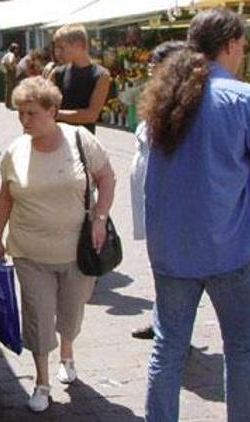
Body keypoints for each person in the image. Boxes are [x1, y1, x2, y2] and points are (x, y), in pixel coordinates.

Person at [139, 8, 250, 421]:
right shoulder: (240, 99)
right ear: (230, 45)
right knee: (241, 350)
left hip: (171, 250)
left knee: (167, 349)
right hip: (231, 249)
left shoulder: (165, 99)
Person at [0, 77, 115, 413]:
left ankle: (68, 352)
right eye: (20, 114)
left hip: (78, 251)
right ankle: (42, 381)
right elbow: (5, 197)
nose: (24, 121)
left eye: (31, 113)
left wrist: (101, 216)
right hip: (29, 251)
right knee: (38, 316)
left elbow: (107, 177)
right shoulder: (15, 151)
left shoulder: (79, 140)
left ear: (52, 111)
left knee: (71, 313)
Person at [129, 41, 187, 341]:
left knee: (174, 271)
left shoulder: (181, 107)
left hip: (170, 207)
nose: (150, 71)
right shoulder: (158, 100)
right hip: (154, 204)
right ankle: (164, 321)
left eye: (156, 65)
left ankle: (174, 329)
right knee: (161, 268)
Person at [49, 25, 111, 134]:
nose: (57, 53)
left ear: (79, 46)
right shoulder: (57, 73)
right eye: (56, 48)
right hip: (56, 138)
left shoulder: (101, 75)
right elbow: (41, 104)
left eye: (61, 48)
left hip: (82, 141)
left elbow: (91, 115)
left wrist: (55, 114)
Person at [1, 43, 20, 109]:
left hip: (7, 73)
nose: (17, 50)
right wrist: (12, 67)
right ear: (14, 49)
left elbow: (2, 62)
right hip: (11, 73)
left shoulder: (6, 54)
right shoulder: (11, 55)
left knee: (8, 89)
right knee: (12, 88)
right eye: (16, 49)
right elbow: (11, 61)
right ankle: (11, 104)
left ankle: (8, 104)